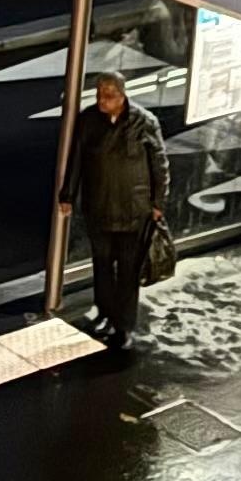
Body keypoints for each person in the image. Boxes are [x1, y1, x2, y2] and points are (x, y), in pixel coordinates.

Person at [64, 68, 170, 350]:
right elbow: (77, 159)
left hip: (133, 210)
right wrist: (68, 195)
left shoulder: (143, 122)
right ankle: (103, 311)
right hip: (98, 206)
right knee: (101, 264)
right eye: (100, 95)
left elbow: (159, 164)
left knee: (127, 270)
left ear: (122, 95)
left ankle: (123, 325)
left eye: (109, 96)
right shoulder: (88, 120)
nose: (103, 101)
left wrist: (158, 203)